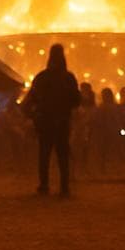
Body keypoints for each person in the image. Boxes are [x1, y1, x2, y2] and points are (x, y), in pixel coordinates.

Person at [22, 43, 80, 196]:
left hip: (45, 121)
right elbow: (76, 100)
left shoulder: (42, 77)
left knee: (44, 154)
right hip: (62, 121)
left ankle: (44, 185)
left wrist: (33, 115)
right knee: (62, 155)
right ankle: (64, 187)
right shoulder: (68, 78)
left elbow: (31, 99)